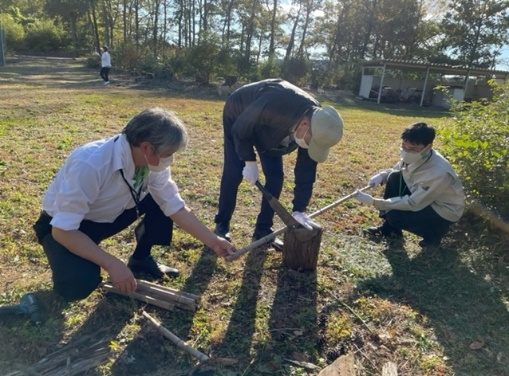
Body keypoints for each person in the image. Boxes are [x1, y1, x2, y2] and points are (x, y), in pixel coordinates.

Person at [33, 108, 236, 302]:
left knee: (160, 200)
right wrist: (112, 263)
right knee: (77, 286)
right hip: (66, 228)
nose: (170, 160)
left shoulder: (151, 162)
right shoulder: (91, 163)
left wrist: (213, 241)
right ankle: (76, 261)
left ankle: (141, 259)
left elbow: (174, 205)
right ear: (146, 147)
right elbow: (63, 230)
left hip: (113, 214)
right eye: (167, 154)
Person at [213, 78, 344, 249]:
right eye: (312, 142)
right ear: (304, 124)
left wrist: (299, 209)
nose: (311, 146)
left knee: (275, 176)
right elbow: (241, 129)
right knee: (234, 170)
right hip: (239, 113)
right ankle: (222, 224)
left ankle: (263, 230)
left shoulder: (317, 125)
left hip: (270, 131)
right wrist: (248, 160)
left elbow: (306, 171)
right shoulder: (278, 100)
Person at [353, 122, 465, 248]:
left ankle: (433, 235)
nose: (407, 152)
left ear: (428, 147)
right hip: (424, 197)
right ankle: (390, 229)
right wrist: (382, 176)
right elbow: (398, 170)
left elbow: (413, 203)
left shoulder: (438, 172)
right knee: (394, 177)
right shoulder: (419, 155)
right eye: (404, 147)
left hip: (442, 210)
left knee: (395, 215)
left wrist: (375, 202)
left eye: (412, 149)